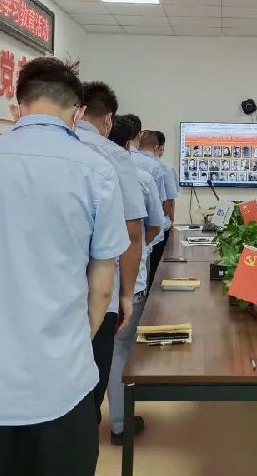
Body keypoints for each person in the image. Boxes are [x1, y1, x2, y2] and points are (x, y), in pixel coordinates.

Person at [0, 58, 129, 475]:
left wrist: (0, 328)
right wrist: (76, 337)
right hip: (64, 379)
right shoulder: (96, 171)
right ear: (78, 112)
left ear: (18, 106)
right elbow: (102, 285)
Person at [75, 81, 147, 423]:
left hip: (39, 292)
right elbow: (133, 233)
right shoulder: (112, 156)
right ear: (108, 120)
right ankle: (97, 426)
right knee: (95, 373)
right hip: (97, 292)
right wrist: (127, 294)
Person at [106, 118, 165, 446]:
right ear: (132, 139)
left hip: (82, 283)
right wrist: (139, 248)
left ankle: (83, 419)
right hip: (127, 282)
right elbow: (154, 226)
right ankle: (119, 423)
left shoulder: (79, 168)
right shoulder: (139, 177)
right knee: (119, 350)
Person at [148, 130, 179, 287]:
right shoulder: (165, 168)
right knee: (157, 271)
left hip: (138, 229)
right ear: (159, 148)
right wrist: (172, 221)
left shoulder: (130, 162)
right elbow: (169, 202)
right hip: (160, 227)